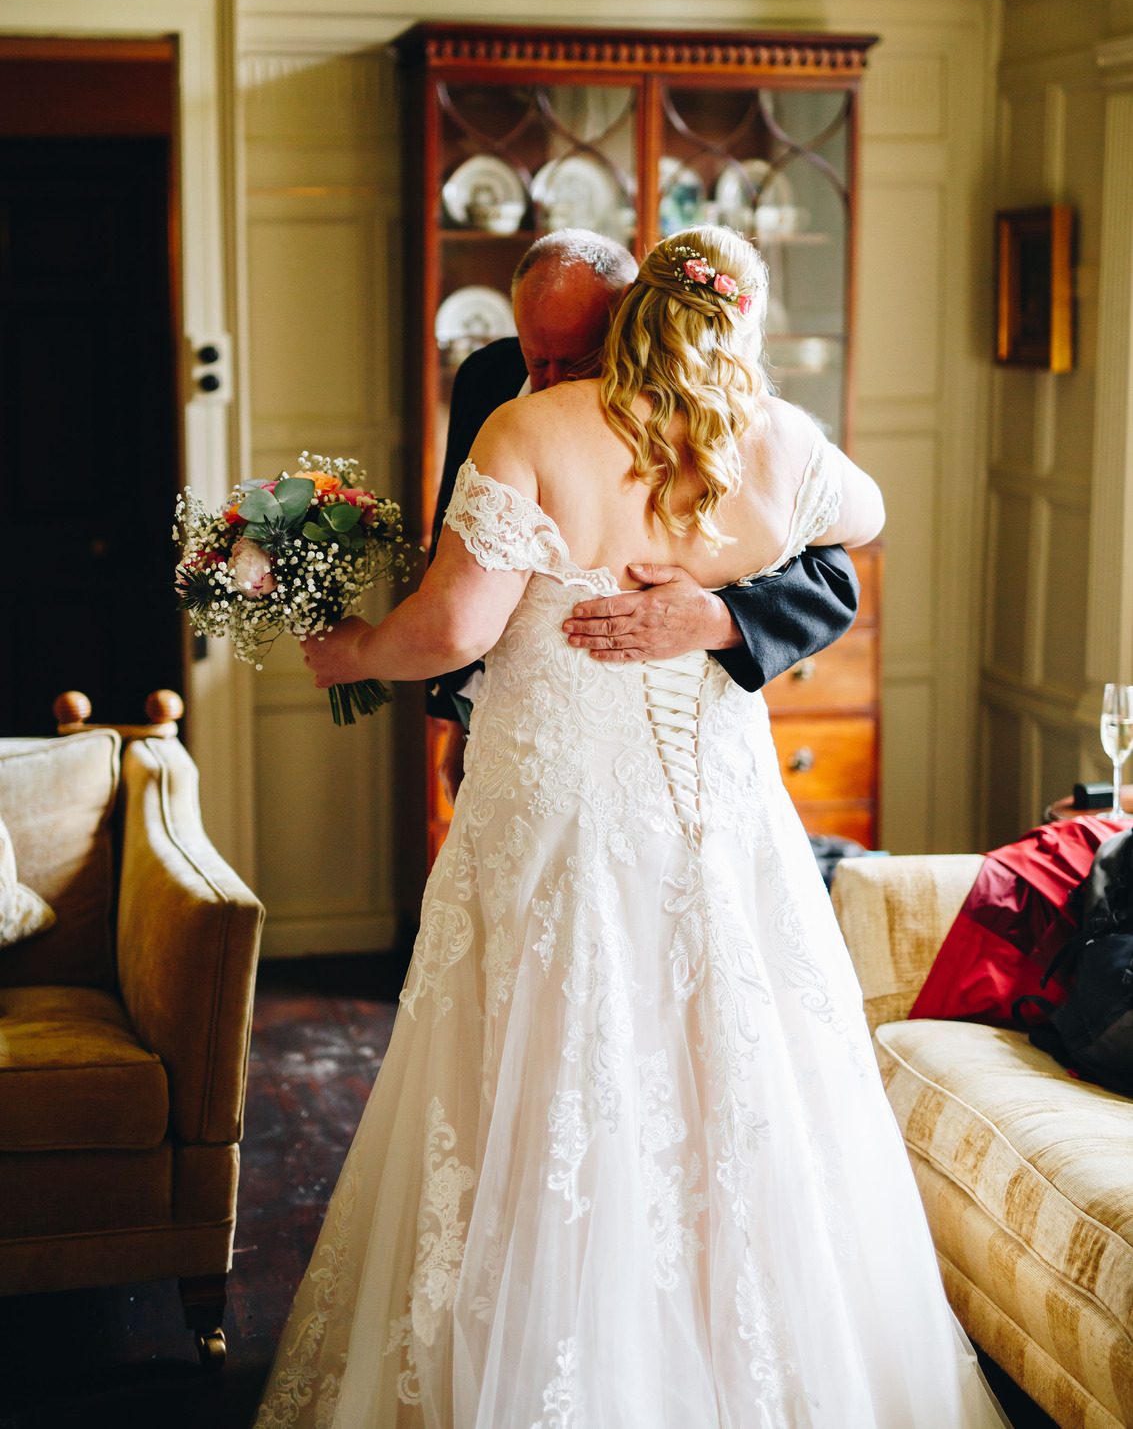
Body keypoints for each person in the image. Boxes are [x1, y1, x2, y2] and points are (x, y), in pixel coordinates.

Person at [257, 227, 1007, 1429]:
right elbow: (861, 512)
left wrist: (348, 651)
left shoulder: (532, 432)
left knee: (573, 1057)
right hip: (701, 808)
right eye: (533, 351)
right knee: (707, 1055)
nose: (543, 370)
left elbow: (454, 625)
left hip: (577, 810)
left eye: (569, 349)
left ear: (628, 319)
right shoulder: (767, 433)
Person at [428, 228, 860, 805]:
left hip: (676, 751)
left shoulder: (717, 418)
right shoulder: (486, 378)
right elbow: (460, 548)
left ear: (633, 329)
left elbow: (833, 577)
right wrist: (457, 717)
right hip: (520, 733)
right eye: (537, 358)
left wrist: (719, 618)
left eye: (579, 361)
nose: (551, 382)